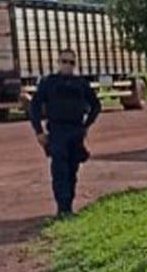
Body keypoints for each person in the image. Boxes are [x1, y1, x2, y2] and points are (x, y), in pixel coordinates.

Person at [30, 49, 101, 218]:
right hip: (57, 130)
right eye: (64, 61)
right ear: (58, 62)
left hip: (76, 131)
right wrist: (39, 131)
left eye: (71, 62)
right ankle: (62, 208)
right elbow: (34, 107)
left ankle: (68, 206)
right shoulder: (49, 83)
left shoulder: (81, 84)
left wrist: (86, 125)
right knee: (60, 170)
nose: (67, 65)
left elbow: (96, 106)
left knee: (72, 171)